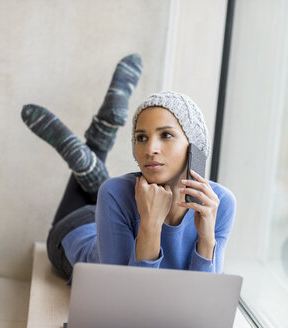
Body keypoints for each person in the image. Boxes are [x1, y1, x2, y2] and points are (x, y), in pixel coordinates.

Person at [20, 54, 236, 282]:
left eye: (167, 135)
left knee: (108, 187)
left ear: (195, 146)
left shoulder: (219, 204)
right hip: (75, 233)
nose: (150, 148)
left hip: (114, 211)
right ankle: (97, 142)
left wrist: (206, 238)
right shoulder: (114, 192)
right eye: (141, 137)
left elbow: (202, 300)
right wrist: (150, 223)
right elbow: (123, 293)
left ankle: (99, 138)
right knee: (110, 189)